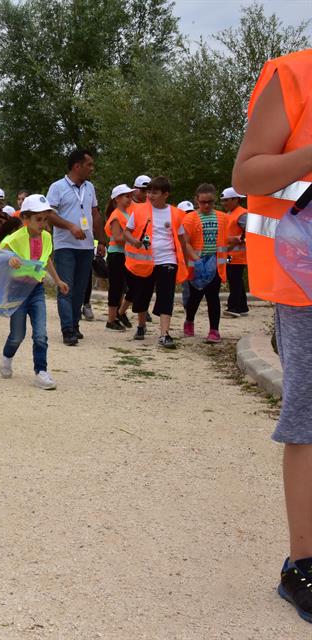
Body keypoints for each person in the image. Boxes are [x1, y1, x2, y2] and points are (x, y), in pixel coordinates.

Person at [231, 48, 312, 624]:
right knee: (310, 422)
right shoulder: (297, 73)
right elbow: (248, 173)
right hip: (307, 282)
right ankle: (303, 565)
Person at [0, 194, 69, 389]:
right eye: (39, 219)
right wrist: (9, 260)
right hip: (17, 292)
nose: (43, 223)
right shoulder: (14, 239)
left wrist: (57, 280)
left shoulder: (46, 237)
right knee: (17, 335)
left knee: (40, 334)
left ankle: (41, 372)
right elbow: (1, 260)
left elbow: (46, 260)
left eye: (45, 219)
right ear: (25, 219)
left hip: (36, 290)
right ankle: (7, 357)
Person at [122, 175, 194, 348]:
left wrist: (188, 260)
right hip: (144, 262)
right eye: (149, 192)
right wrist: (133, 242)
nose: (150, 196)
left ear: (166, 194)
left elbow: (182, 239)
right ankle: (141, 325)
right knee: (142, 295)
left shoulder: (176, 214)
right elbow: (127, 232)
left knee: (166, 296)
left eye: (155, 193)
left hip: (167, 260)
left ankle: (164, 334)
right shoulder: (139, 211)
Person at [45, 148, 102, 346]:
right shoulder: (57, 187)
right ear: (77, 166)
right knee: (66, 287)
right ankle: (67, 329)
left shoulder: (90, 187)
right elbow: (48, 214)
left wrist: (101, 240)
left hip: (86, 246)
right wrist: (70, 226)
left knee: (79, 289)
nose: (92, 169)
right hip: (65, 246)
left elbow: (94, 213)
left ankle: (75, 325)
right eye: (89, 165)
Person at [181, 183, 228, 343]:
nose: (206, 205)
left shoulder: (222, 218)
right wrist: (193, 256)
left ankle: (214, 330)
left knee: (213, 297)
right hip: (197, 264)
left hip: (214, 263)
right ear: (197, 201)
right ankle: (189, 320)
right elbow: (185, 242)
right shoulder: (190, 218)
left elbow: (224, 239)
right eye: (203, 202)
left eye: (210, 202)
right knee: (195, 296)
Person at [103, 184, 134, 331]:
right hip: (116, 254)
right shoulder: (116, 215)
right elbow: (118, 237)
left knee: (122, 287)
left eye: (130, 196)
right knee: (116, 287)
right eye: (126, 196)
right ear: (117, 199)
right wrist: (134, 239)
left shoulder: (126, 213)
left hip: (124, 254)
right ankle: (111, 319)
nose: (130, 199)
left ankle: (116, 316)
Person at [220, 186, 250, 316]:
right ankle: (242, 306)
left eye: (226, 200)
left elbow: (249, 232)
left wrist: (239, 239)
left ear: (236, 200)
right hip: (229, 253)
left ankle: (234, 307)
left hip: (238, 254)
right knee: (235, 279)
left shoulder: (242, 214)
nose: (224, 203)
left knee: (234, 279)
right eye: (223, 201)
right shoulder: (229, 214)